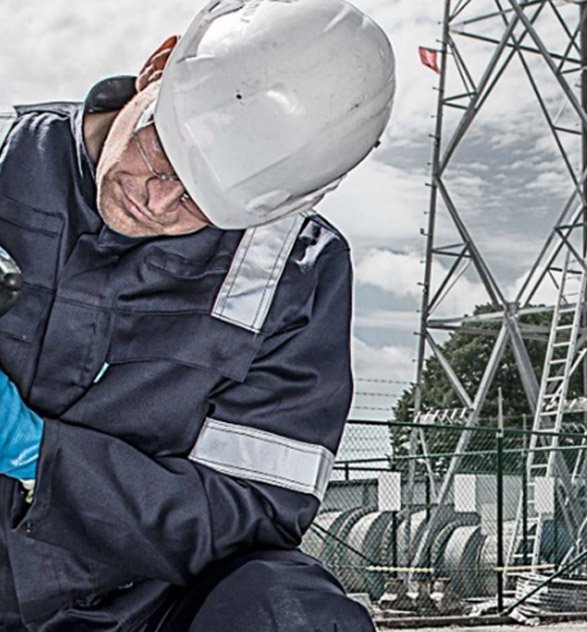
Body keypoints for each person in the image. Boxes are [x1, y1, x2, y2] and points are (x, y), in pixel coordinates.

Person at [0, 0, 395, 629]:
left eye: (204, 200)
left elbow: (251, 514)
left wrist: (42, 458)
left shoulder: (295, 272)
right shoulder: (8, 159)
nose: (157, 201)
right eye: (163, 151)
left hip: (143, 604)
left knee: (289, 610)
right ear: (158, 66)